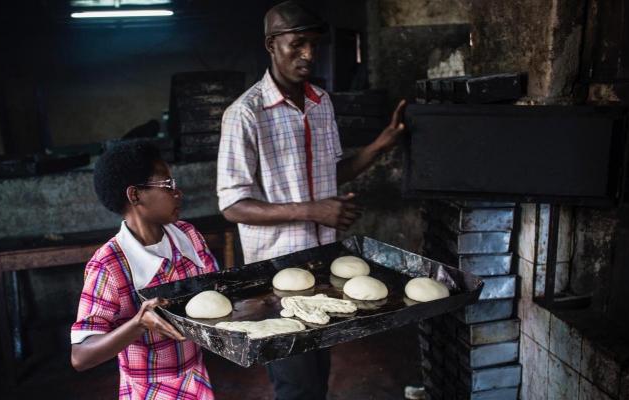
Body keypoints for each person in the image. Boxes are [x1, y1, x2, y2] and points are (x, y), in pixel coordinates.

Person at [215, 2, 407, 399]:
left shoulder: (321, 102)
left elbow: (329, 173)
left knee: (319, 372)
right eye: (297, 44)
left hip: (324, 264)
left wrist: (379, 145)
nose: (308, 55)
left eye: (314, 45)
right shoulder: (245, 114)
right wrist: (314, 210)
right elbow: (232, 205)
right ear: (271, 44)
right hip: (278, 273)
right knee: (295, 383)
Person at [71, 141, 218, 400]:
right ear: (135, 195)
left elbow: (218, 291)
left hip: (196, 378)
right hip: (148, 392)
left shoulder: (188, 236)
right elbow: (81, 356)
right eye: (167, 185)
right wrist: (139, 324)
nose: (177, 192)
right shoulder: (109, 265)